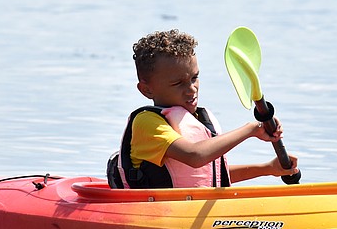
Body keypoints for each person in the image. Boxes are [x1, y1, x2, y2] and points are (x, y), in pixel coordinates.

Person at [108, 29, 299, 189]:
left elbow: (210, 177)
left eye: (194, 78)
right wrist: (251, 130)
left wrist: (267, 168)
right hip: (158, 214)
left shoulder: (199, 118)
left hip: (192, 214)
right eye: (178, 83)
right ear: (146, 89)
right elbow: (195, 157)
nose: (191, 89)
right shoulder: (147, 123)